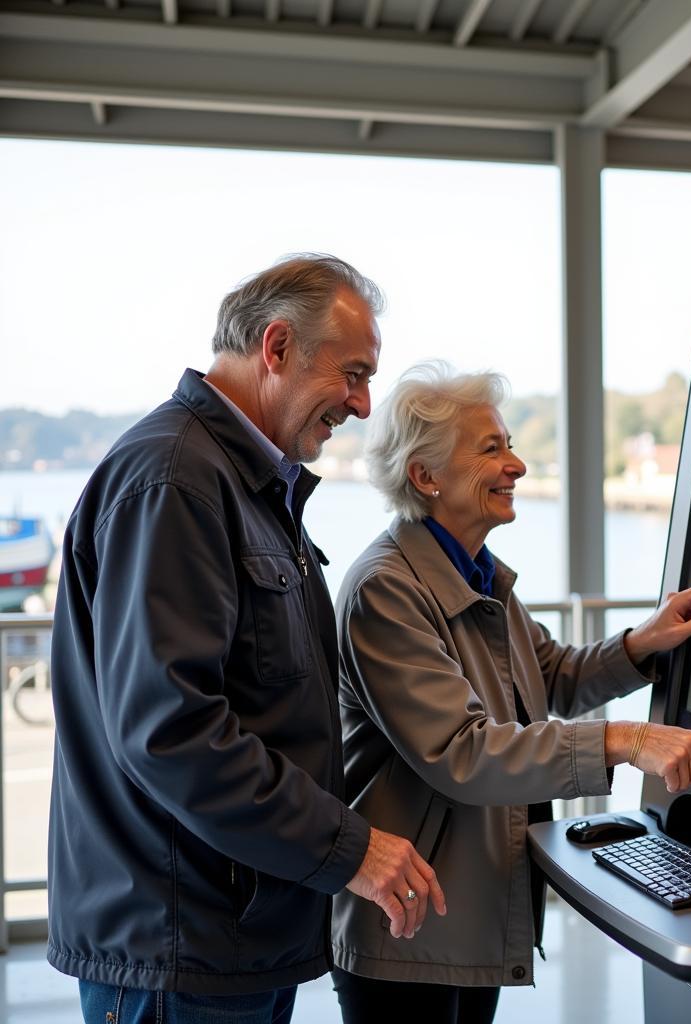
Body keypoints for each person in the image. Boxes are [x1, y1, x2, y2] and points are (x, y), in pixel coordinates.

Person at [47, 255, 445, 1024]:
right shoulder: (176, 480)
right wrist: (348, 848)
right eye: (354, 373)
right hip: (177, 951)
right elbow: (171, 731)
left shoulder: (245, 485)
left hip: (233, 938)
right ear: (277, 348)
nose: (364, 406)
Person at [330, 362, 691, 1024]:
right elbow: (463, 752)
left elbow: (552, 678)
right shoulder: (386, 589)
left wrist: (643, 643)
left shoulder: (480, 576)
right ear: (426, 476)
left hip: (466, 911)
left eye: (510, 445)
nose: (517, 465)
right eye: (492, 449)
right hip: (410, 930)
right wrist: (627, 741)